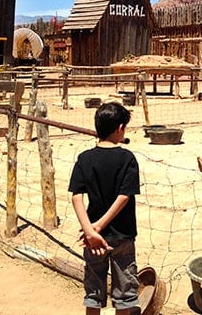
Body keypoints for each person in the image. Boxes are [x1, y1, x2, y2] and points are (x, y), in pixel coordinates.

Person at [68, 102, 141, 315]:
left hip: (92, 237)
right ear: (120, 129)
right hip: (122, 234)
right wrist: (100, 226)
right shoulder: (127, 158)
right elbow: (124, 196)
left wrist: (90, 230)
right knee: (125, 293)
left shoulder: (84, 158)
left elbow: (76, 197)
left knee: (93, 290)